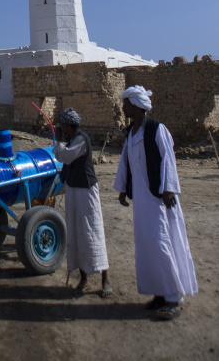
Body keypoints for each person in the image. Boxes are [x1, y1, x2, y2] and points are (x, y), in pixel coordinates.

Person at [114, 85, 198, 320]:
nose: (123, 107)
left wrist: (169, 187)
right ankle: (159, 294)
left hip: (158, 199)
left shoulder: (157, 129)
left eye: (126, 103)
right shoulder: (131, 133)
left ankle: (173, 299)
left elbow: (168, 159)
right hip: (141, 200)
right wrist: (122, 189)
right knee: (147, 246)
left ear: (136, 105)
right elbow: (125, 163)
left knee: (162, 244)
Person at [54, 108, 111, 297]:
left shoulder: (80, 140)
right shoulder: (72, 140)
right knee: (77, 232)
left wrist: (58, 139)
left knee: (93, 231)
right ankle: (84, 278)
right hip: (73, 190)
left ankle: (105, 279)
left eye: (62, 125)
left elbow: (64, 156)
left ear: (69, 125)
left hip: (86, 192)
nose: (60, 128)